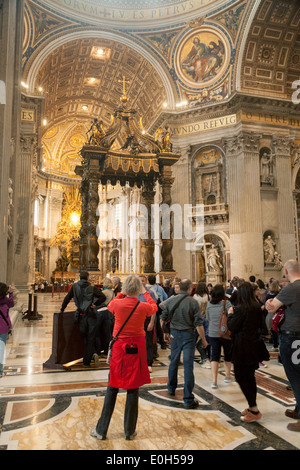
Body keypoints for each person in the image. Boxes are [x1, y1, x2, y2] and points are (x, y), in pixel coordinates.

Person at [90, 275, 157, 441]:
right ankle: (129, 431)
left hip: (120, 348)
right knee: (133, 388)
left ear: (125, 288)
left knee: (112, 386)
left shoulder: (116, 303)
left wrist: (122, 292)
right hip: (137, 348)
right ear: (138, 289)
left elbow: (112, 303)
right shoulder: (142, 306)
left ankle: (101, 430)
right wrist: (145, 292)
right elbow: (154, 307)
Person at [160, 279, 207, 409]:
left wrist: (165, 333)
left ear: (180, 288)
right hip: (188, 336)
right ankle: (188, 398)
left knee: (174, 361)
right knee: (188, 365)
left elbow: (162, 318)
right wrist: (203, 339)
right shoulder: (193, 302)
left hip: (174, 334)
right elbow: (198, 324)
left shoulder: (171, 300)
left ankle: (171, 387)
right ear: (190, 288)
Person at [265, 260, 300, 432]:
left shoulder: (291, 288)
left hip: (292, 338)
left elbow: (272, 308)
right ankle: (298, 410)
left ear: (286, 270)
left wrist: (268, 302)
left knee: (295, 377)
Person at [227, 282, 268, 423]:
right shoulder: (257, 306)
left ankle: (254, 409)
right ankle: (252, 406)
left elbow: (232, 327)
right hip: (254, 346)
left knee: (240, 377)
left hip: (242, 347)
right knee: (250, 377)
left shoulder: (240, 308)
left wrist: (230, 315)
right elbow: (263, 327)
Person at [60, 271, 106, 368]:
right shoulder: (92, 287)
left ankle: (91, 355)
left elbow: (67, 298)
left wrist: (62, 310)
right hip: (91, 316)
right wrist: (95, 305)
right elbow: (103, 297)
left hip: (81, 316)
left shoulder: (75, 286)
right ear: (88, 277)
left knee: (84, 337)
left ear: (79, 277)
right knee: (90, 338)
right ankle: (87, 360)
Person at [206, 284, 233, 389]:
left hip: (212, 333)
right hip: (225, 332)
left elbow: (207, 318)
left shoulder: (209, 304)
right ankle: (227, 376)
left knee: (214, 356)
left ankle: (214, 381)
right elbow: (231, 315)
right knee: (227, 355)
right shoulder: (226, 303)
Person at [139, 274, 156, 372]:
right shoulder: (135, 293)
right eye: (140, 281)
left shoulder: (150, 293)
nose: (141, 282)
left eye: (143, 280)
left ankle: (149, 362)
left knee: (147, 341)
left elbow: (154, 308)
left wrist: (152, 322)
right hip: (137, 320)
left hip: (147, 319)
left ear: (145, 282)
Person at [148, 274, 168, 350]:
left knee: (154, 326)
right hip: (159, 309)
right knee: (159, 326)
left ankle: (154, 344)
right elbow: (166, 297)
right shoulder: (160, 288)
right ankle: (162, 343)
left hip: (151, 310)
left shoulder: (147, 289)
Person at [0, 283, 14, 378]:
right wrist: (11, 292)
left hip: (3, 328)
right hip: (3, 328)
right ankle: (0, 371)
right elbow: (12, 303)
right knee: (1, 350)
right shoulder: (6, 301)